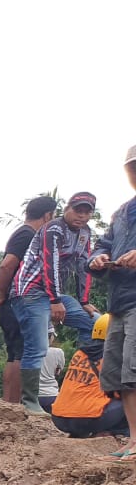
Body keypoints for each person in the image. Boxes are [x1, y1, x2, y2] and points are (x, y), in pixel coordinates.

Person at [9, 191, 100, 414]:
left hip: (54, 295)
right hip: (30, 291)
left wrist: (84, 300)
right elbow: (51, 262)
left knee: (96, 324)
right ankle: (30, 401)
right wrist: (55, 300)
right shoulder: (53, 228)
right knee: (38, 346)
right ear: (66, 209)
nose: (81, 216)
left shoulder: (85, 233)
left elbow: (83, 266)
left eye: (87, 212)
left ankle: (82, 379)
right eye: (78, 210)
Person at [88, 145, 136, 457]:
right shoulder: (121, 212)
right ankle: (134, 440)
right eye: (131, 167)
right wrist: (97, 258)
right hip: (118, 303)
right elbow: (102, 244)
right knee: (122, 375)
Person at [0, 196, 58, 405]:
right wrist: (3, 295)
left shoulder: (21, 232)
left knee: (15, 353)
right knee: (24, 353)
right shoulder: (29, 235)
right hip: (20, 299)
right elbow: (6, 265)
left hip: (13, 302)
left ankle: (10, 406)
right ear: (48, 215)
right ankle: (18, 407)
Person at [51, 315, 129, 438]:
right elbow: (121, 392)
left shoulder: (80, 353)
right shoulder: (115, 357)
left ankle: (85, 433)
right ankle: (115, 433)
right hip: (86, 419)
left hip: (59, 417)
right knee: (130, 398)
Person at [39, 325, 65, 414]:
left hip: (32, 396)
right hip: (52, 395)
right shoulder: (58, 352)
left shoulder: (28, 352)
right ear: (50, 336)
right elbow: (58, 372)